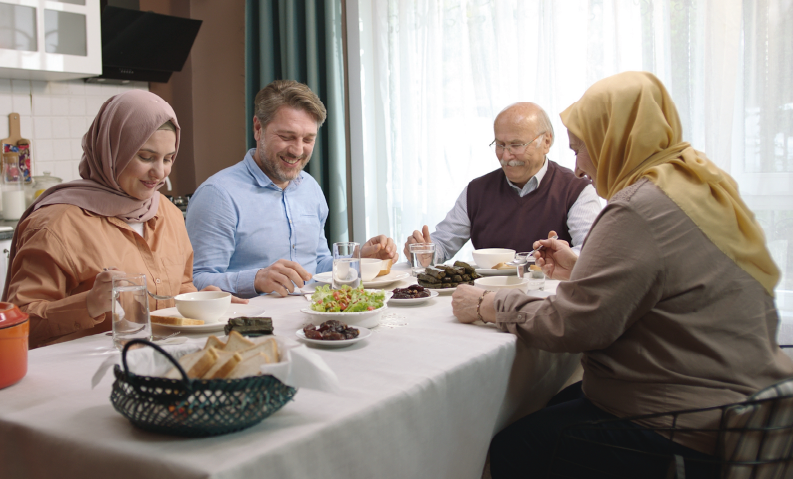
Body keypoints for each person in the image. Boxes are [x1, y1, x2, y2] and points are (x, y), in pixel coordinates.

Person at [451, 72, 793, 478]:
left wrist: (492, 304)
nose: (577, 168)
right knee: (548, 401)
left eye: (581, 149)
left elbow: (575, 326)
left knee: (512, 444)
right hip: (736, 398)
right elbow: (673, 279)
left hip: (682, 419)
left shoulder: (637, 205)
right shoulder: (694, 183)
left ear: (615, 140)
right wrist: (584, 269)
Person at [3, 90, 240, 349]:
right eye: (145, 157)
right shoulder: (55, 224)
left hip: (163, 363)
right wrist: (88, 305)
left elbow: (179, 286)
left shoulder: (167, 212)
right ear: (112, 151)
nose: (159, 173)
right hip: (84, 374)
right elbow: (18, 325)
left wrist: (195, 302)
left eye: (168, 158)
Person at [186, 80, 398, 298]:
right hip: (252, 325)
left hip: (314, 317)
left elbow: (316, 265)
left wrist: (360, 262)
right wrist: (256, 280)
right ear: (258, 129)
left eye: (308, 139)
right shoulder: (217, 195)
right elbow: (194, 280)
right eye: (286, 137)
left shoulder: (310, 188)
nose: (298, 150)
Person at [403, 102, 601, 263]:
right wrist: (424, 250)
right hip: (485, 296)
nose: (506, 155)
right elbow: (442, 245)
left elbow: (591, 251)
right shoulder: (476, 191)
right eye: (500, 144)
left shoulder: (577, 190)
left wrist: (548, 259)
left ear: (546, 142)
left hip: (546, 298)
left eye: (516, 144)